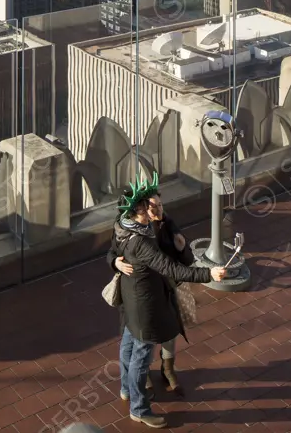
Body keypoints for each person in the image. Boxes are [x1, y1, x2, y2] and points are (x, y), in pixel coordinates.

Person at [107, 173, 228, 429]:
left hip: (132, 300)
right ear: (138, 209)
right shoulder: (140, 242)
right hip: (145, 305)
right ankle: (139, 409)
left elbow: (175, 255)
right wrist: (209, 273)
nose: (152, 209)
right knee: (141, 358)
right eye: (146, 206)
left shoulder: (123, 224)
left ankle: (127, 390)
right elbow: (171, 269)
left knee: (128, 346)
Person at [114, 200, 193, 393]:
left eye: (159, 205)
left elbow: (184, 261)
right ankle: (141, 379)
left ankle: (167, 370)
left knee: (168, 331)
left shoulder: (167, 225)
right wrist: (115, 262)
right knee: (138, 340)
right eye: (150, 207)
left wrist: (182, 249)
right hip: (140, 294)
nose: (155, 210)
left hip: (165, 287)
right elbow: (112, 251)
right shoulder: (130, 229)